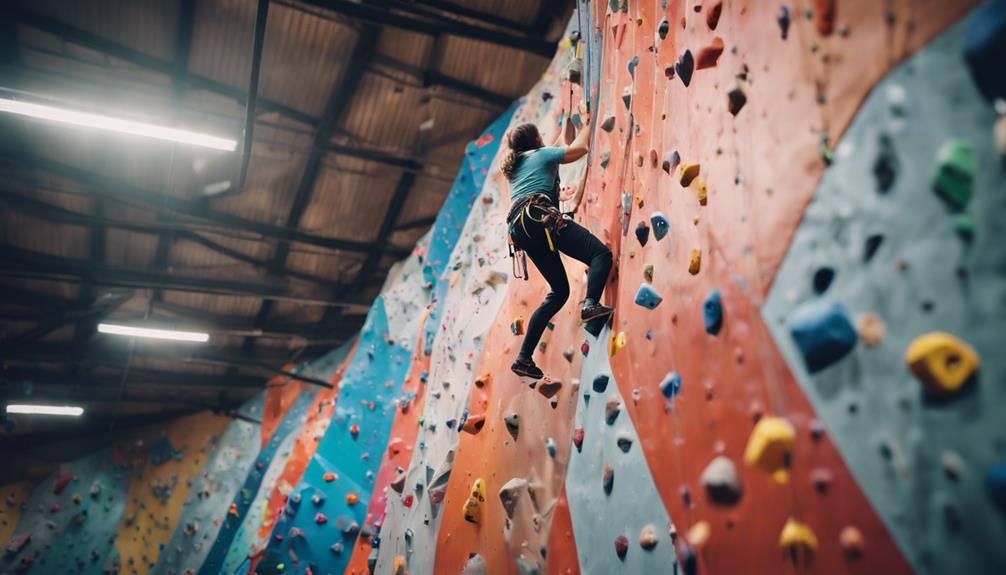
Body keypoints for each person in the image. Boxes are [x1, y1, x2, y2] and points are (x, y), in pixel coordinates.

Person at [502, 117, 613, 380]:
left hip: (521, 229)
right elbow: (578, 149)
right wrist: (589, 120)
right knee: (600, 254)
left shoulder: (517, 165)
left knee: (559, 291)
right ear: (536, 141)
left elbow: (558, 145)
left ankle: (524, 358)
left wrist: (566, 127)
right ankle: (590, 304)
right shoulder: (541, 155)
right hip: (539, 218)